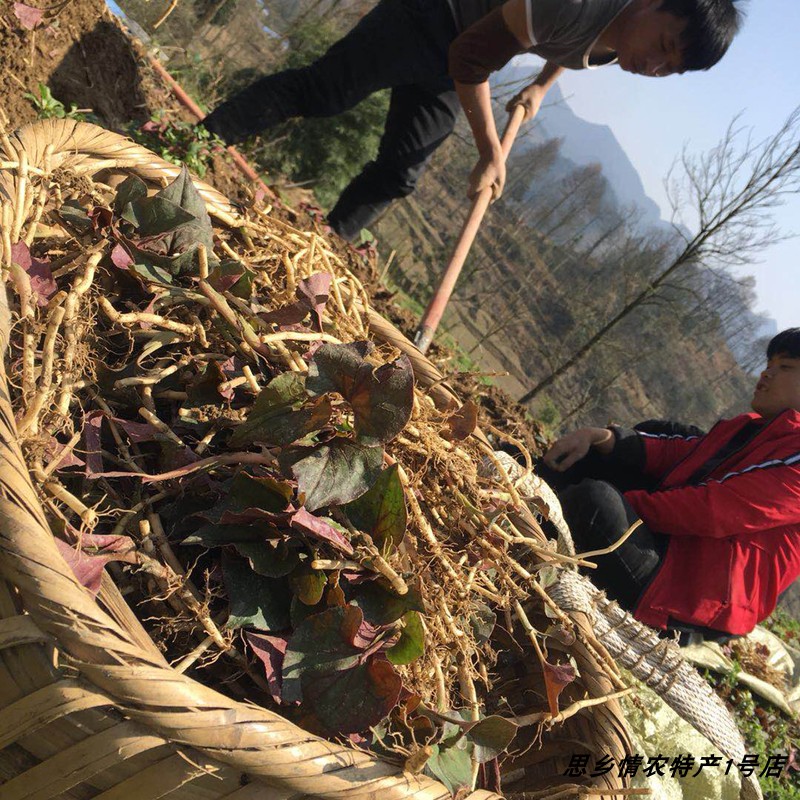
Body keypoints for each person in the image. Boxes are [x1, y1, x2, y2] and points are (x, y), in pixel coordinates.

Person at [202, 0, 741, 241]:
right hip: (430, 17)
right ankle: (198, 142)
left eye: (670, 70)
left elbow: (578, 50)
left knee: (399, 173)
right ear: (650, 2)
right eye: (664, 46)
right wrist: (492, 153)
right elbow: (469, 58)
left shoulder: (618, 44)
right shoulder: (577, 3)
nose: (652, 67)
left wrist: (538, 85)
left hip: (460, 54)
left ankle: (324, 243)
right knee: (322, 93)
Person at [539, 328, 800, 641]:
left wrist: (624, 502)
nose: (766, 374)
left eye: (784, 367)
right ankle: (518, 490)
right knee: (594, 458)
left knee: (595, 502)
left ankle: (529, 524)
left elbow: (712, 510)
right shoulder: (749, 428)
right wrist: (602, 438)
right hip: (674, 547)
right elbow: (682, 451)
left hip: (689, 594)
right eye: (768, 364)